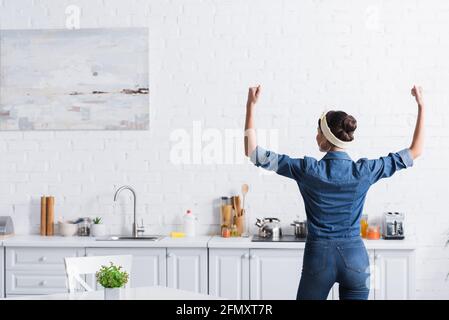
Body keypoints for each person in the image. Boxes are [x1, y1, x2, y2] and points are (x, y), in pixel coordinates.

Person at [243, 85, 424, 300]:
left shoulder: (307, 170)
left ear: (326, 137)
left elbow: (252, 152)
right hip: (356, 260)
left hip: (319, 259)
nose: (316, 135)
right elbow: (416, 150)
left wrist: (250, 106)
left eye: (318, 131)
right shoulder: (364, 172)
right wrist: (421, 106)